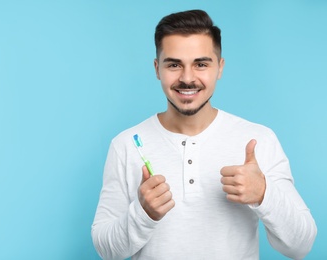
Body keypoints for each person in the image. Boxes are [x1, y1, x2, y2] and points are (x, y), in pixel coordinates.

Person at [91, 9, 317, 260]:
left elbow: (301, 246)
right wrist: (143, 214)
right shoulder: (125, 145)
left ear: (219, 67)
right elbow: (106, 250)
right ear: (157, 69)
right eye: (174, 64)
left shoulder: (259, 139)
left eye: (201, 64)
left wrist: (264, 193)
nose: (187, 78)